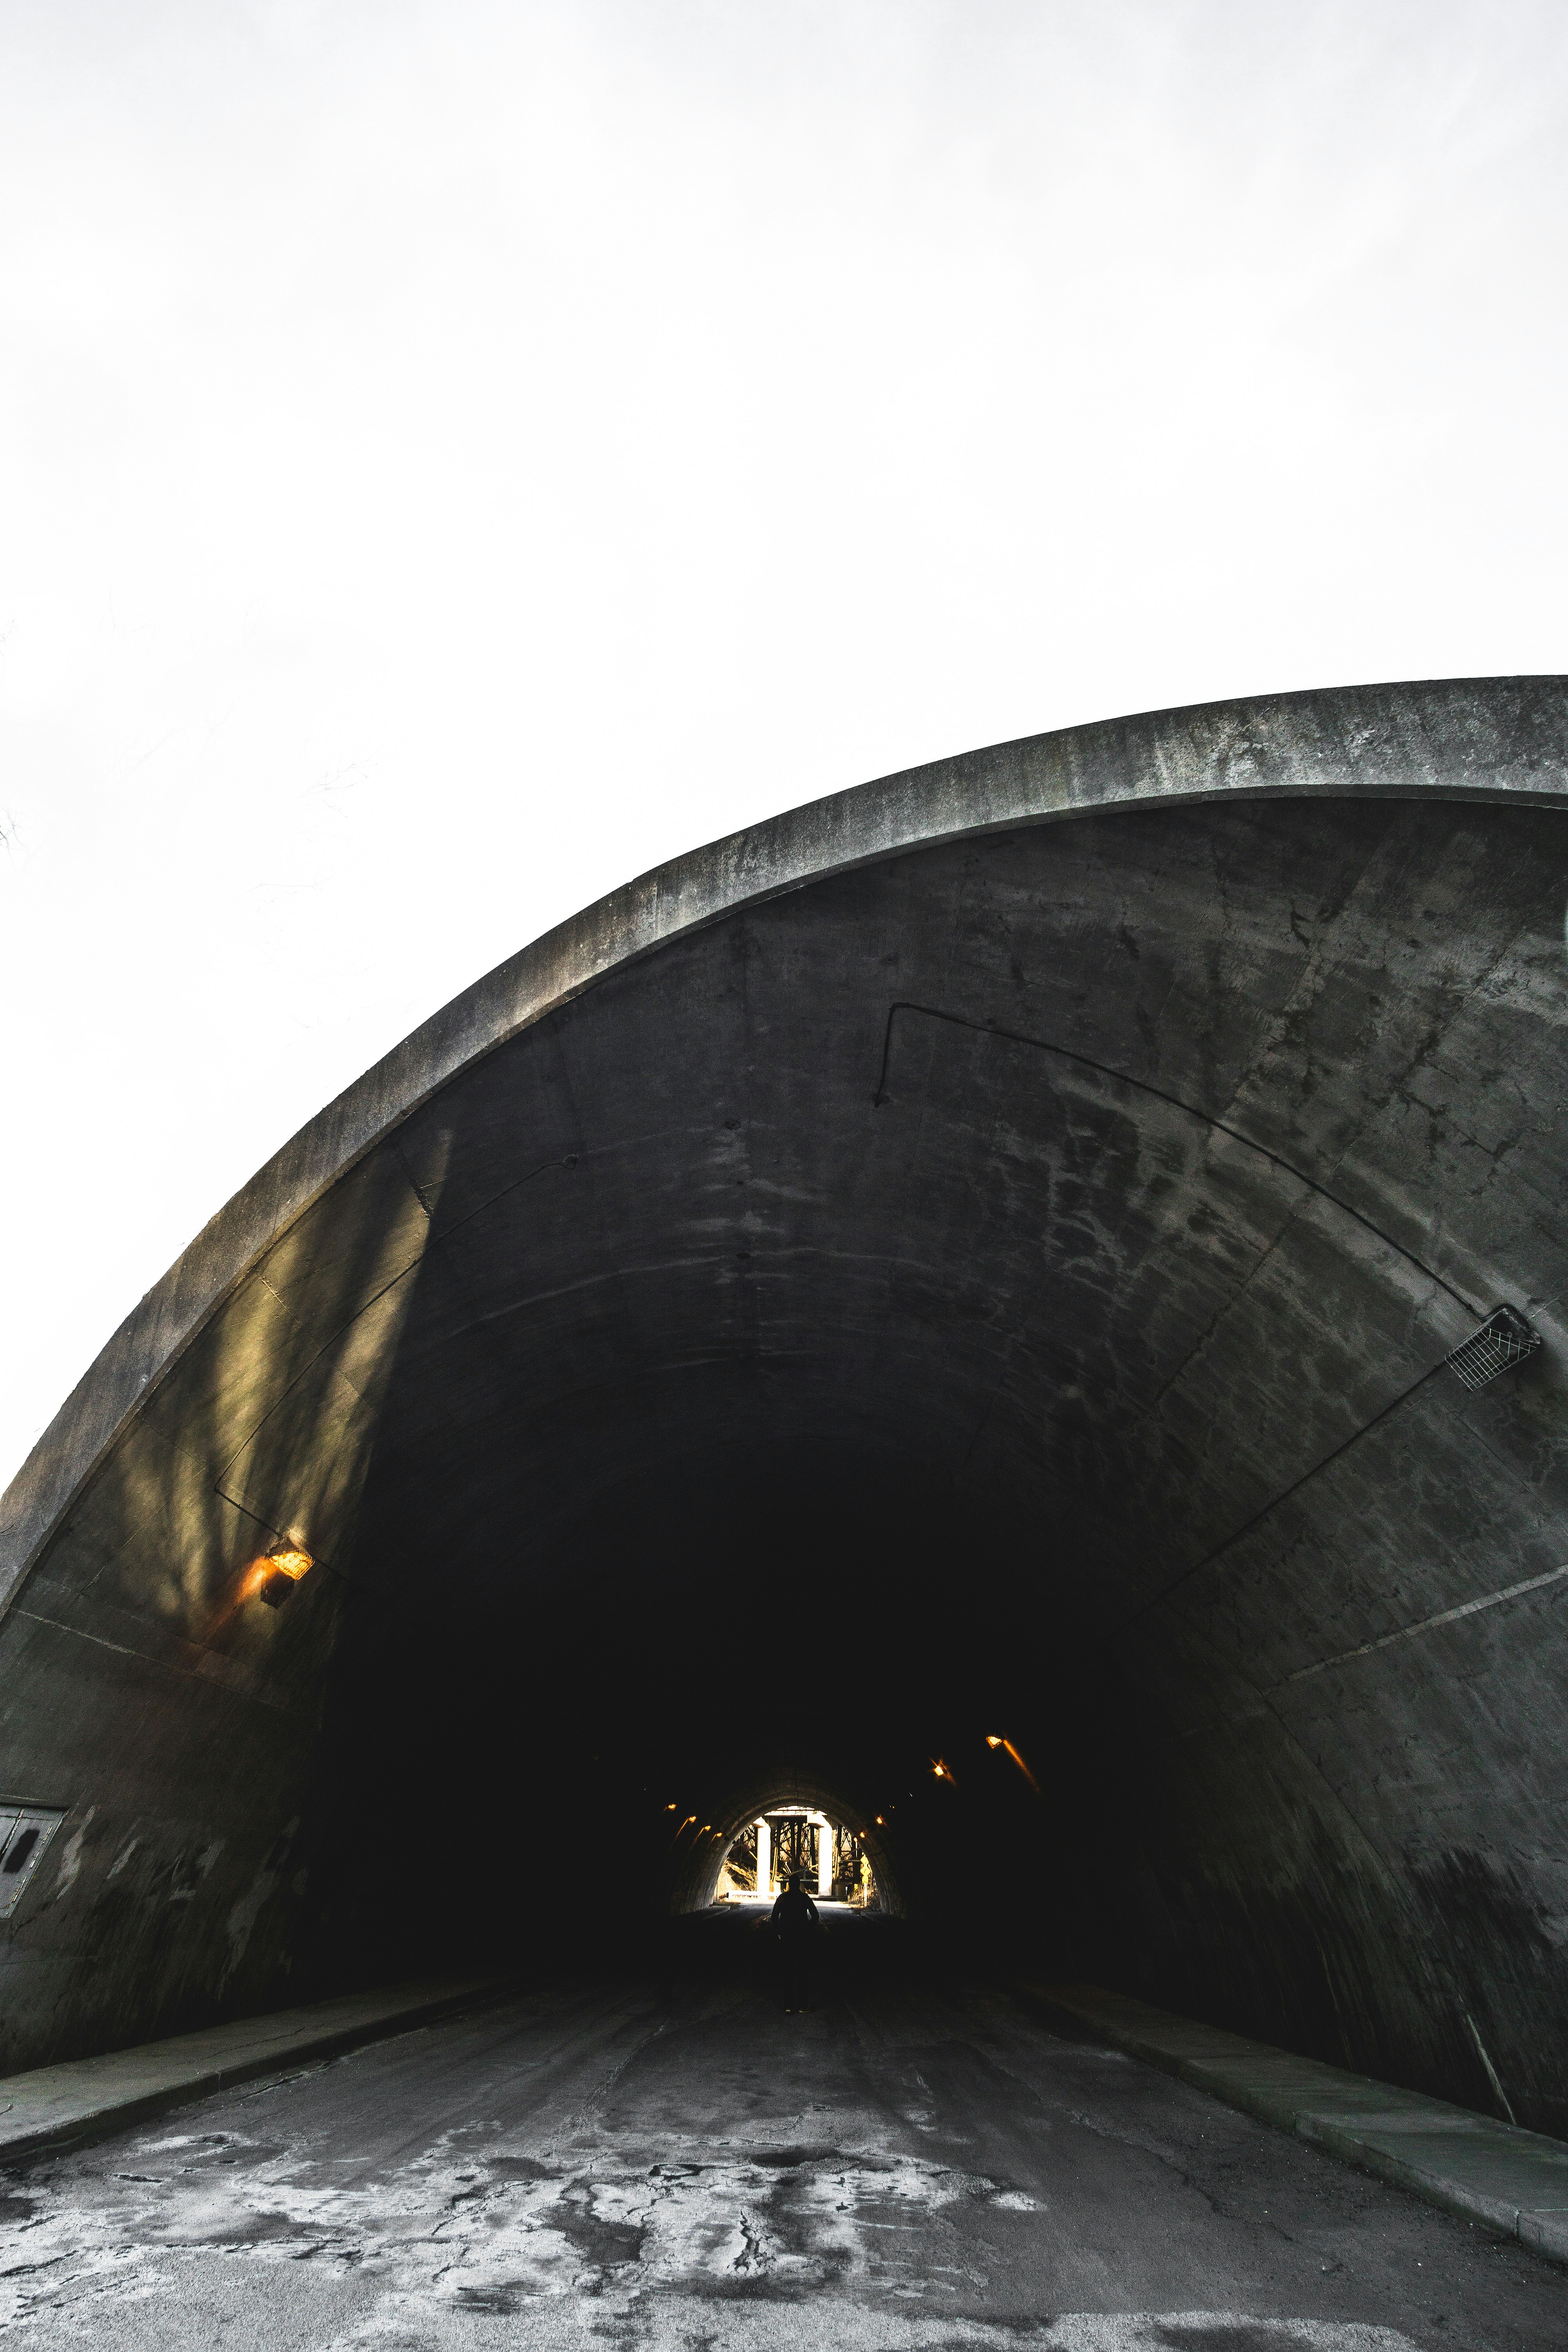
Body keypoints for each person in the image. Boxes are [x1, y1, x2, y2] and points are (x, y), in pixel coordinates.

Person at [770, 1871, 819, 2012]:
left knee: (787, 1972)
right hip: (801, 1940)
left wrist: (779, 1932)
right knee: (802, 1972)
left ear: (788, 1885)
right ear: (799, 1885)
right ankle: (803, 2006)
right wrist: (807, 1929)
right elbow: (816, 1916)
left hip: (787, 1940)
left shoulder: (782, 1898)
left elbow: (774, 1917)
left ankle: (788, 2007)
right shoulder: (805, 1898)